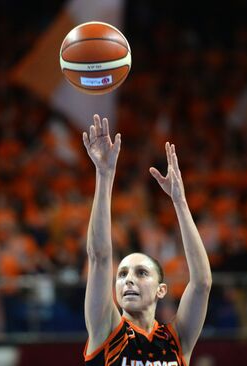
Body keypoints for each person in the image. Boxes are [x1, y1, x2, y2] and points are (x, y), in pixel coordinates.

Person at [82, 114, 212, 366]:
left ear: (161, 290)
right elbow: (99, 257)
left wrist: (180, 202)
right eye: (122, 274)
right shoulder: (107, 332)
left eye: (141, 273)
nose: (128, 279)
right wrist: (104, 174)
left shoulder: (177, 340)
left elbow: (202, 283)